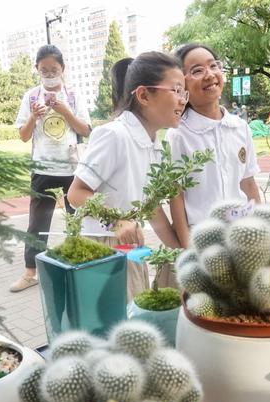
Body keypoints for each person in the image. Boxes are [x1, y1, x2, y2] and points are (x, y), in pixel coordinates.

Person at [68, 51, 186, 301]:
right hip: (102, 248)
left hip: (130, 247)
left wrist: (181, 255)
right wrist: (118, 222)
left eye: (183, 92)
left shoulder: (154, 144)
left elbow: (153, 211)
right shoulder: (114, 135)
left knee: (134, 323)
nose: (182, 100)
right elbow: (76, 193)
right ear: (144, 95)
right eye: (176, 90)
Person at [10, 45, 92, 293]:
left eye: (54, 69)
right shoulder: (31, 96)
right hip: (42, 167)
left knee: (76, 219)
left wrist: (64, 110)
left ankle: (76, 267)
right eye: (44, 70)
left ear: (63, 69)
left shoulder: (74, 95)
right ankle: (30, 272)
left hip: (72, 167)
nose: (49, 74)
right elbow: (23, 136)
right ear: (36, 69)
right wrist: (34, 116)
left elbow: (86, 130)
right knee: (37, 222)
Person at [168, 43, 262, 248]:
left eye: (213, 66)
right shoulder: (178, 135)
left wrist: (260, 230)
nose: (209, 74)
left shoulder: (240, 127)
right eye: (197, 70)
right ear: (181, 83)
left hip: (240, 237)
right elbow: (176, 196)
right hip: (201, 240)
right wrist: (188, 249)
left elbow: (248, 184)